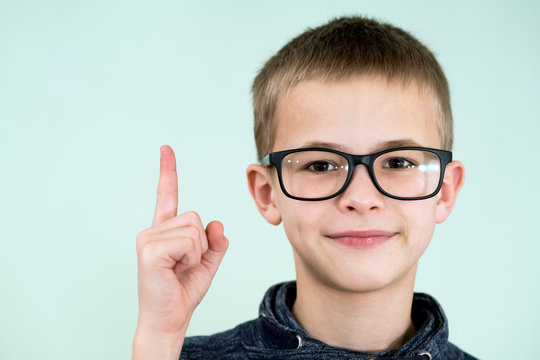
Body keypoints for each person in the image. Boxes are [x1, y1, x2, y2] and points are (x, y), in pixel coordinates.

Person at [132, 16, 476, 360]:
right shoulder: (169, 353)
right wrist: (159, 338)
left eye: (398, 163)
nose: (360, 198)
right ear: (267, 193)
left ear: (444, 190)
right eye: (321, 165)